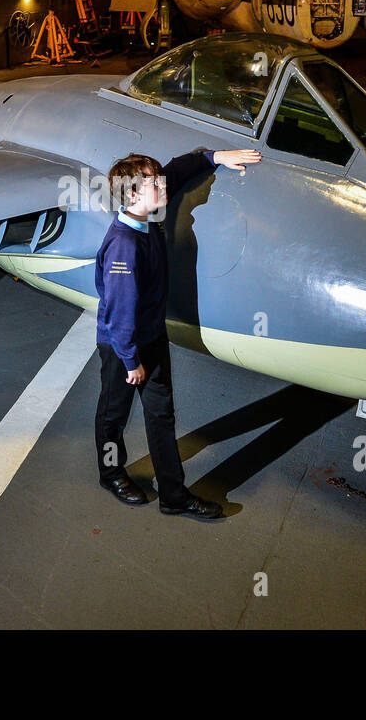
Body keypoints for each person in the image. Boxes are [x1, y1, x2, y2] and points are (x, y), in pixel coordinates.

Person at [94, 146, 262, 520]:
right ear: (133, 193)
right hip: (125, 348)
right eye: (155, 182)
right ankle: (111, 472)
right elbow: (121, 314)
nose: (164, 184)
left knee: (161, 415)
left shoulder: (148, 213)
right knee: (113, 413)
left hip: (151, 338)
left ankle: (173, 495)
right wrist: (130, 360)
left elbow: (176, 169)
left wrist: (214, 157)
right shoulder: (125, 246)